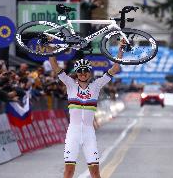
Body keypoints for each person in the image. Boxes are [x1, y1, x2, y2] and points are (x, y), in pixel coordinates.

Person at [49, 41, 125, 178]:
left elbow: (114, 69)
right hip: (73, 133)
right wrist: (49, 48)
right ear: (76, 73)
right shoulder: (70, 85)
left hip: (89, 133)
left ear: (89, 73)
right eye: (80, 71)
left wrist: (121, 50)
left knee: (95, 173)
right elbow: (55, 66)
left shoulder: (96, 86)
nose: (83, 74)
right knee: (68, 172)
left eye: (85, 71)